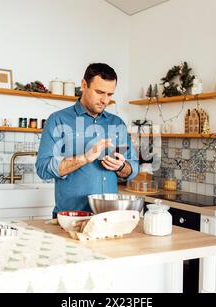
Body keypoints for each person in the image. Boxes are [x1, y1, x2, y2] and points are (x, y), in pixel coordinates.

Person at [36, 63, 139, 218]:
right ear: (84, 85)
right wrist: (84, 158)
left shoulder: (117, 124)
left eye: (110, 94)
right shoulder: (57, 120)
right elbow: (43, 169)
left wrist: (121, 167)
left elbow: (133, 168)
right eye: (99, 92)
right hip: (70, 218)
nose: (105, 100)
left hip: (109, 218)